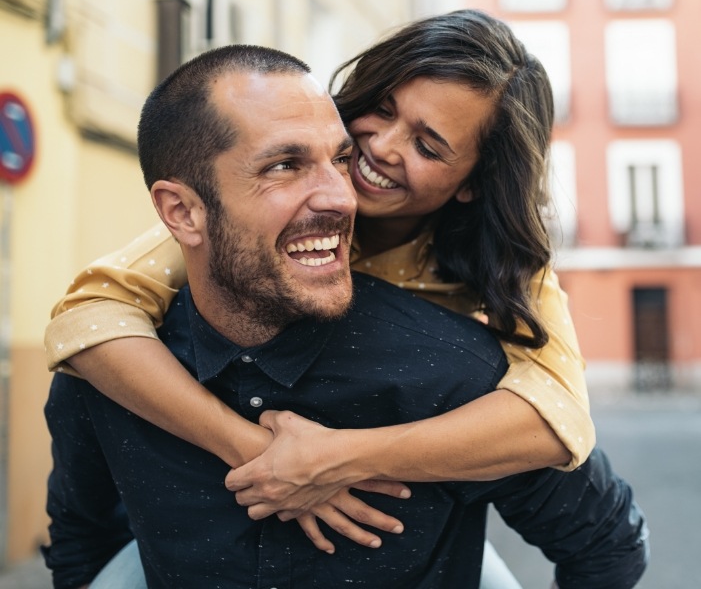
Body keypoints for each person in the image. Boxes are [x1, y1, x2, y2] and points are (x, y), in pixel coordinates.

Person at [42, 44, 648, 589]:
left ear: (472, 184)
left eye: (429, 145)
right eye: (381, 111)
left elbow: (556, 424)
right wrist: (255, 450)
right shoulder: (211, 238)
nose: (375, 152)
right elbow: (87, 318)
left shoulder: (485, 319)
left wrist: (338, 458)